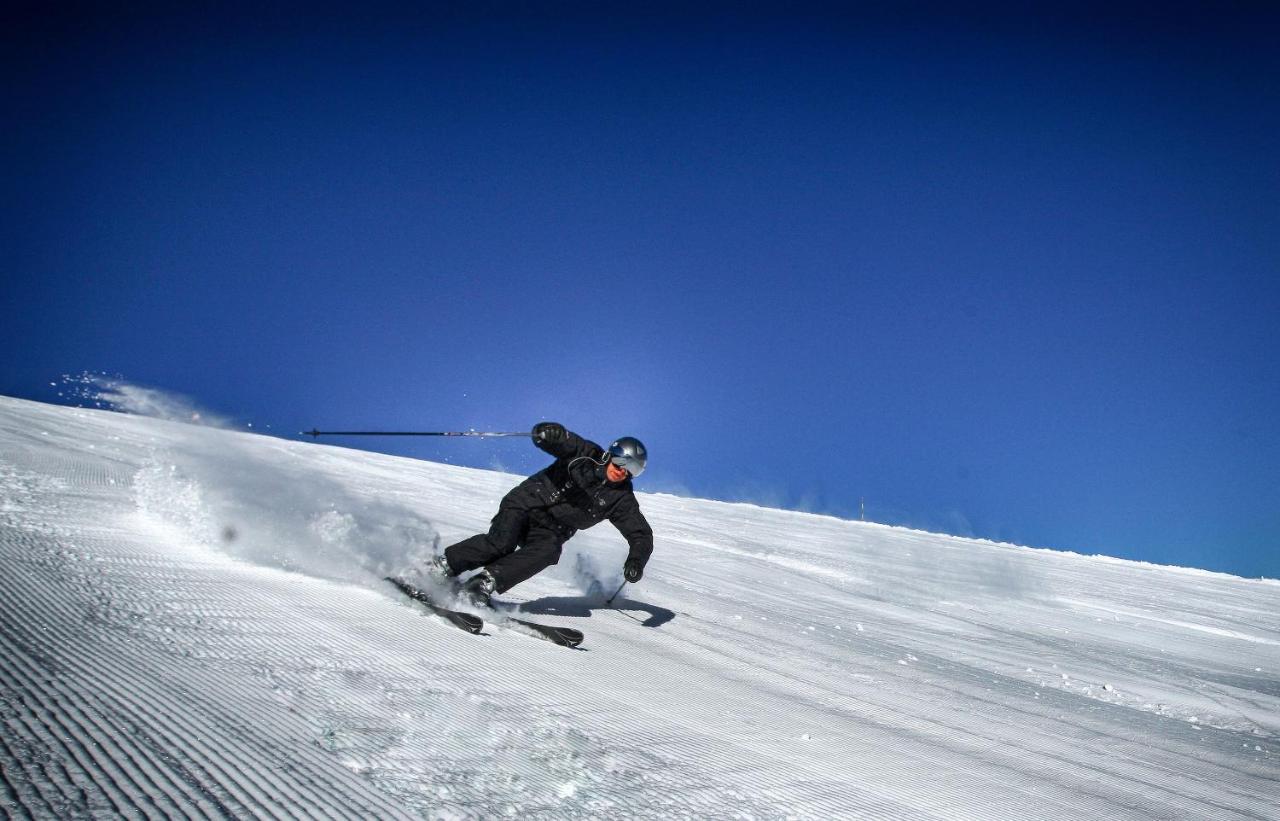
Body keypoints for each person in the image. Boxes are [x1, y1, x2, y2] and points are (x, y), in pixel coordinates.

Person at [432, 422, 653, 604]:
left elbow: (641, 535)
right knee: (501, 543)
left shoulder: (621, 499)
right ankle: (443, 566)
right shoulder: (585, 454)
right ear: (610, 454)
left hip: (551, 530)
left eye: (631, 470)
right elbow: (562, 442)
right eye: (621, 461)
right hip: (527, 503)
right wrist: (549, 434)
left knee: (549, 551)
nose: (622, 470)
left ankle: (482, 583)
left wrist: (636, 560)